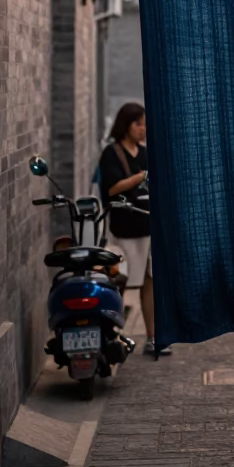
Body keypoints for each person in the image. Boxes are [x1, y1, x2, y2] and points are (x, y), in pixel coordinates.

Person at [99, 102, 170, 356]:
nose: (143, 129)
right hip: (125, 229)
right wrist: (139, 177)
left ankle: (153, 337)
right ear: (125, 125)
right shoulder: (112, 153)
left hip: (147, 226)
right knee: (122, 279)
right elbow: (110, 189)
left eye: (144, 124)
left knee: (149, 280)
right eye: (138, 123)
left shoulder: (144, 152)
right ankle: (110, 334)